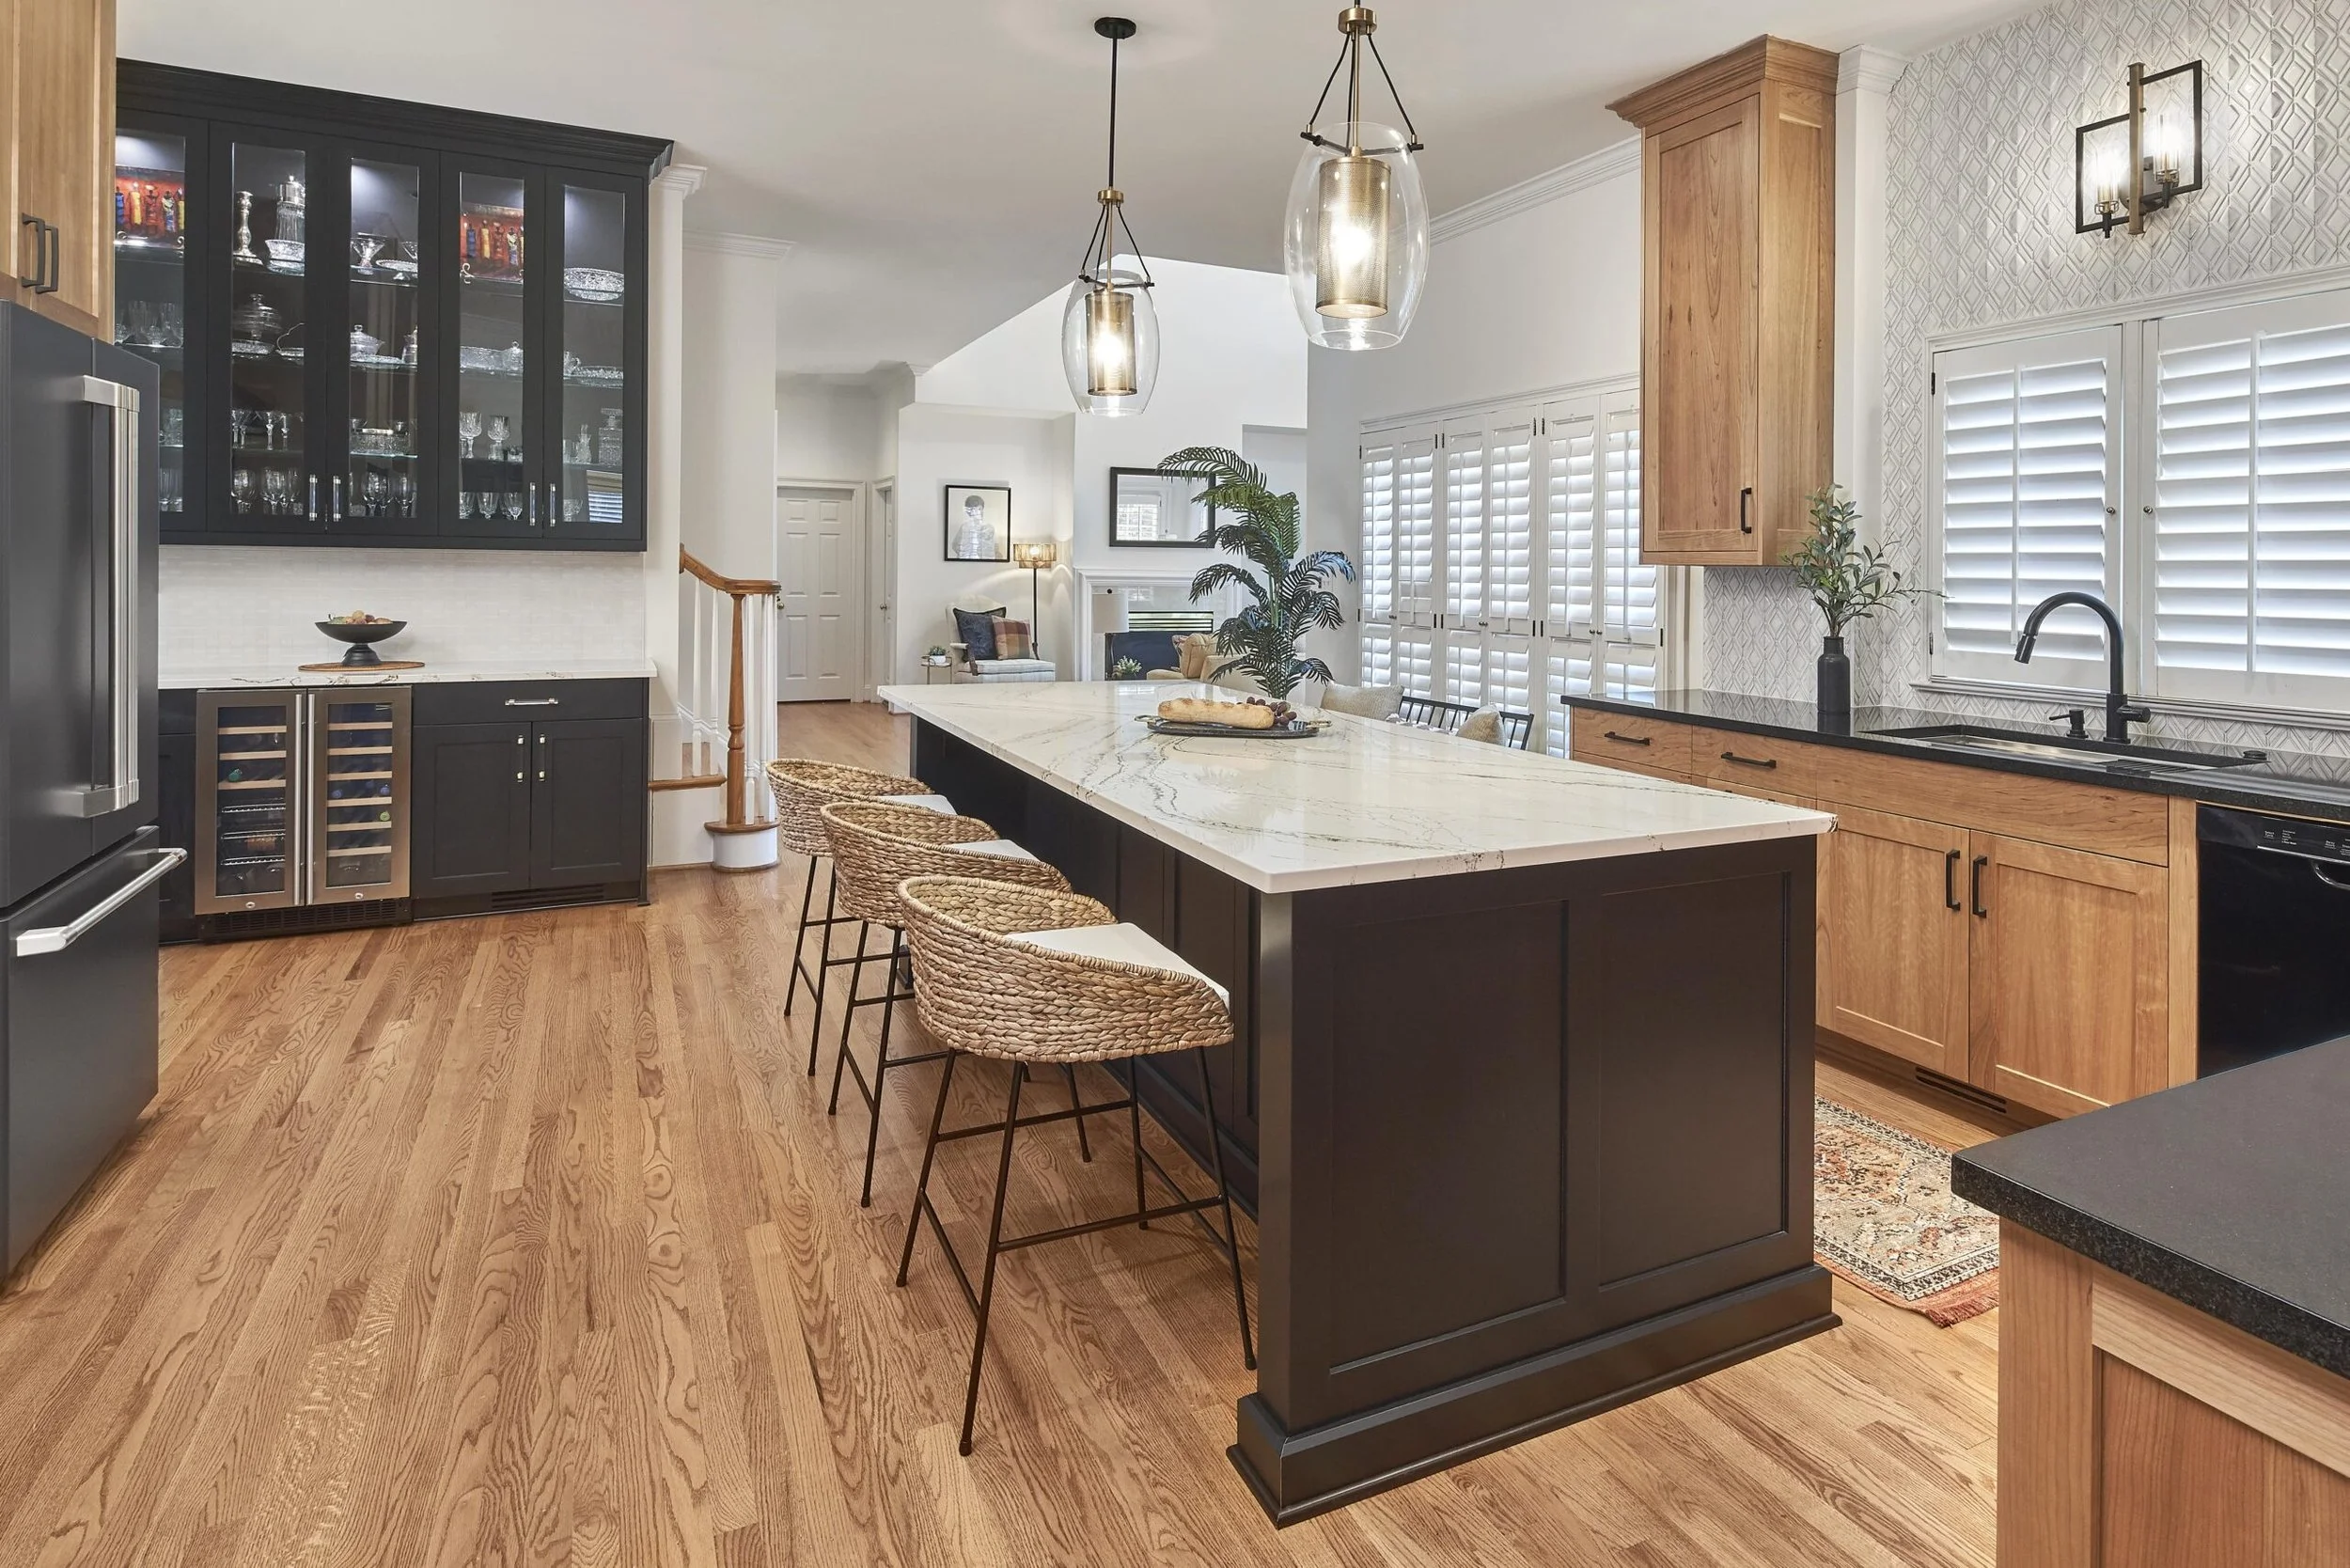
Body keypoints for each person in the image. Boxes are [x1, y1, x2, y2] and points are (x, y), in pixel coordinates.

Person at [953, 492, 997, 559]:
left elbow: (995, 548)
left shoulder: (989, 528)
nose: (977, 512)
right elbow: (955, 545)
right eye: (974, 509)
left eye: (979, 509)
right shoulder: (964, 527)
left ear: (983, 509)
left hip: (985, 562)